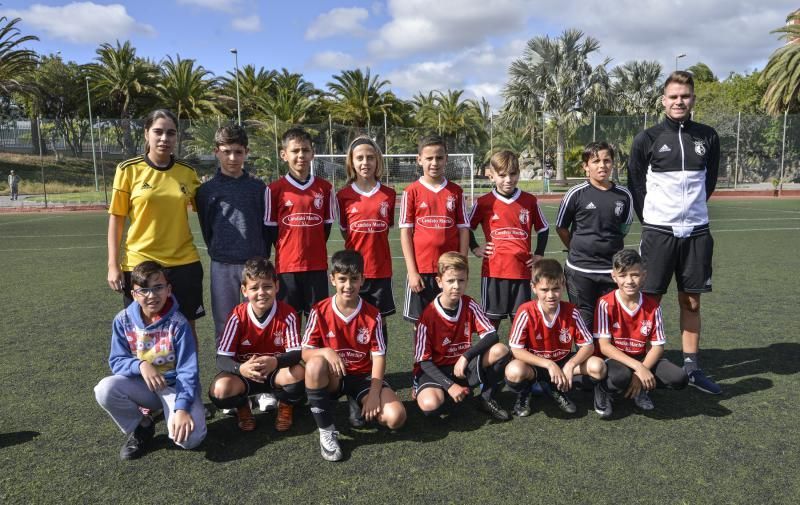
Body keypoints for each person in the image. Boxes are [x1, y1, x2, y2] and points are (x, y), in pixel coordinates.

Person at [627, 70, 722, 395]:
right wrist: (654, 219)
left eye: (685, 96)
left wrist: (691, 213)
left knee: (691, 300)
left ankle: (692, 367)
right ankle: (644, 362)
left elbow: (708, 183)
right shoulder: (648, 139)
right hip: (658, 232)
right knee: (649, 300)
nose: (679, 101)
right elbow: (636, 184)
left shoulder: (707, 137)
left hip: (696, 232)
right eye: (673, 96)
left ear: (693, 99)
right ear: (663, 100)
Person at [106, 109, 205, 341]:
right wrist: (113, 264)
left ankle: (188, 379)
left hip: (184, 263)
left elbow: (208, 211)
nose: (164, 138)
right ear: (146, 134)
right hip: (140, 263)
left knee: (187, 331)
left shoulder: (187, 172)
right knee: (141, 332)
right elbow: (117, 218)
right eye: (158, 132)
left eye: (171, 133)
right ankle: (143, 377)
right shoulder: (128, 169)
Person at [94, 261, 206, 460]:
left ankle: (171, 409)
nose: (152, 295)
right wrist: (141, 365)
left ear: (168, 289)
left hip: (173, 388)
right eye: (144, 290)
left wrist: (181, 408)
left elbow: (188, 372)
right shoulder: (123, 320)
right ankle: (142, 426)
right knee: (105, 389)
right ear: (134, 294)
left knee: (191, 440)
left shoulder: (178, 324)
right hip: (143, 387)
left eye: (158, 288)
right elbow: (117, 360)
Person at [301, 250, 406, 462]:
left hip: (362, 377)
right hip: (333, 377)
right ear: (332, 279)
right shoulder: (319, 310)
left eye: (354, 279)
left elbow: (378, 357)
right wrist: (325, 351)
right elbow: (304, 352)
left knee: (396, 418)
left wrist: (375, 394)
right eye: (342, 279)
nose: (348, 286)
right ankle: (327, 431)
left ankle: (357, 400)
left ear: (362, 280)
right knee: (314, 365)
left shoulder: (372, 314)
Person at [207, 257, 305, 432]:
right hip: (246, 376)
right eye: (254, 288)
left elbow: (296, 353)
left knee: (299, 373)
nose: (261, 292)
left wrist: (275, 362)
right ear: (244, 290)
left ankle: (285, 405)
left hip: (275, 373)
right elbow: (222, 358)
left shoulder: (288, 314)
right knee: (219, 390)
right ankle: (243, 406)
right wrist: (241, 369)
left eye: (267, 286)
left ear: (277, 286)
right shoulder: (237, 316)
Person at [412, 252, 512, 422]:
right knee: (430, 406)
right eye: (450, 281)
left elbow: (491, 334)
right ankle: (440, 391)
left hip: (461, 367)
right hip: (436, 370)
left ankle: (486, 398)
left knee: (501, 350)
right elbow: (424, 361)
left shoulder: (469, 304)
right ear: (439, 282)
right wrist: (449, 386)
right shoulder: (428, 316)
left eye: (461, 280)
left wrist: (466, 356)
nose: (456, 286)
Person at [196, 124, 269, 347]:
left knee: (260, 320)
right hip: (223, 265)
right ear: (216, 151)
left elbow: (266, 227)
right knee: (225, 322)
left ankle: (260, 374)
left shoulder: (258, 188)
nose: (232, 157)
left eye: (238, 151)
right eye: (226, 151)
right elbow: (206, 228)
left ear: (246, 152)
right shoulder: (207, 190)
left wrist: (260, 257)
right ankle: (227, 372)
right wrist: (220, 250)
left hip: (254, 266)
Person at [505, 259, 607, 417]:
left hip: (563, 361)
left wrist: (571, 365)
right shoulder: (526, 311)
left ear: (563, 285)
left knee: (598, 366)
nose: (551, 295)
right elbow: (516, 350)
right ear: (533, 288)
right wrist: (548, 364)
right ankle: (526, 391)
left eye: (556, 289)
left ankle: (555, 388)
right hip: (535, 365)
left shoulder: (571, 311)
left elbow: (588, 346)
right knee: (514, 371)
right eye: (544, 290)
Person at [593, 249, 689, 417]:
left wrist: (641, 370)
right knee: (619, 377)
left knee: (679, 378)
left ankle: (640, 388)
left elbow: (658, 347)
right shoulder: (605, 304)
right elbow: (604, 346)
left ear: (644, 275)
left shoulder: (653, 306)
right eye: (623, 275)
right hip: (616, 360)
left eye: (635, 275)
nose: (629, 281)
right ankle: (603, 389)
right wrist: (639, 368)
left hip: (641, 358)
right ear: (614, 276)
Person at [556, 142, 633, 330]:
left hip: (611, 270)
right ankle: (585, 358)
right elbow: (561, 227)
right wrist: (575, 247)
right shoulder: (576, 194)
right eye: (595, 161)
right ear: (585, 166)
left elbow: (624, 227)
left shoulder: (624, 195)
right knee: (584, 320)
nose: (602, 166)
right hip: (580, 270)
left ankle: (607, 358)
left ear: (613, 164)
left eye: (607, 161)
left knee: (609, 320)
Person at [469, 150, 549, 330]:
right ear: (492, 176)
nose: (508, 180)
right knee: (491, 323)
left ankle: (518, 357)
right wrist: (475, 248)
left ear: (518, 174)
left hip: (521, 272)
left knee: (520, 322)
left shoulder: (529, 201)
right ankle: (489, 357)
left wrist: (539, 254)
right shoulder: (483, 202)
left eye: (513, 174)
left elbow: (543, 228)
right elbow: (466, 227)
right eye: (502, 175)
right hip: (493, 271)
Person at [264, 127, 334, 320]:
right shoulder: (274, 189)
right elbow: (271, 231)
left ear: (313, 153)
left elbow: (325, 228)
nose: (301, 155)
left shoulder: (325, 188)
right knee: (288, 324)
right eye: (295, 151)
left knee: (317, 323)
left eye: (305, 150)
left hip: (317, 266)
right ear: (284, 155)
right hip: (287, 267)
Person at [399, 135, 469, 323]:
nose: (434, 162)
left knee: (449, 320)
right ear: (419, 159)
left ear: (446, 158)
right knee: (420, 322)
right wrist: (412, 272)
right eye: (429, 158)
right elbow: (406, 232)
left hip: (449, 270)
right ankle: (421, 354)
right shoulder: (411, 191)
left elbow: (463, 230)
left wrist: (462, 264)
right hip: (421, 269)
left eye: (439, 157)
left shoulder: (456, 191)